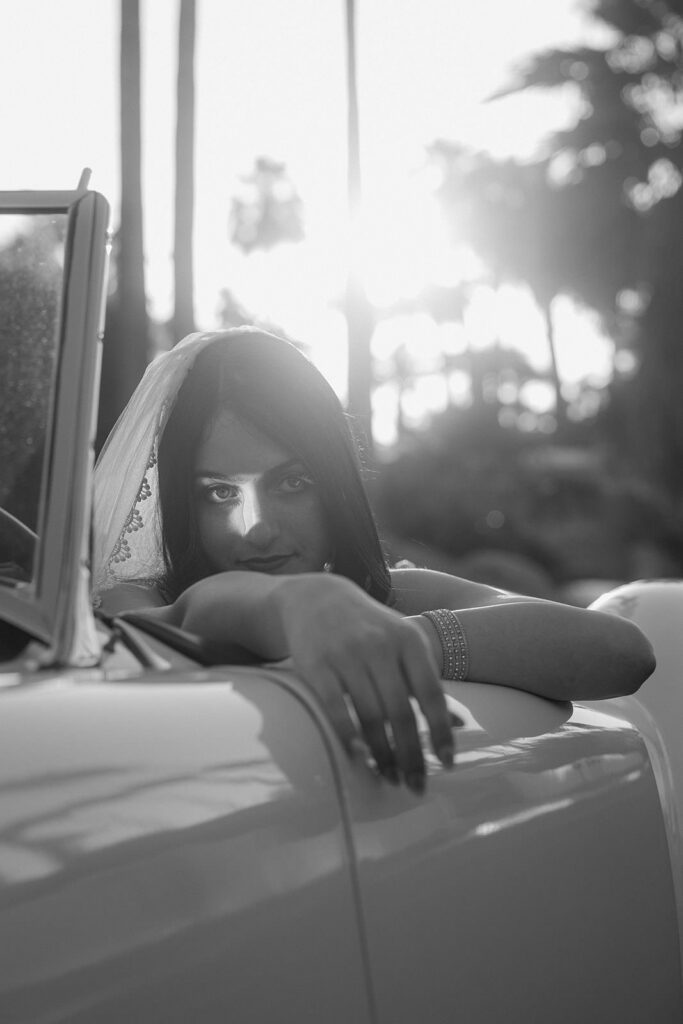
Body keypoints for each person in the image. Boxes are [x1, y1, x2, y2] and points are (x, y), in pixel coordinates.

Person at [94, 327, 656, 793]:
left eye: (292, 482)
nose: (257, 527)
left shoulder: (379, 599)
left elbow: (620, 651)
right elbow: (179, 621)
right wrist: (294, 602)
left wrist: (411, 642)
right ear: (178, 503)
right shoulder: (129, 604)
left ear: (334, 485)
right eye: (218, 493)